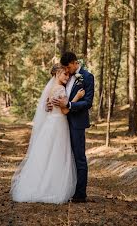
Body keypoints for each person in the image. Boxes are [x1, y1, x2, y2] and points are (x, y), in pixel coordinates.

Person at [10, 63, 85, 204]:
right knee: (57, 155)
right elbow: (65, 110)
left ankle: (39, 186)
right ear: (57, 73)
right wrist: (77, 97)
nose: (67, 77)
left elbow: (50, 107)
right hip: (58, 125)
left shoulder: (50, 88)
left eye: (68, 75)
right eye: (65, 74)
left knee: (46, 155)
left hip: (51, 123)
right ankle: (52, 189)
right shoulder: (60, 89)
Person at [49, 51, 95, 203]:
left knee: (79, 157)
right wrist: (51, 103)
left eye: (68, 67)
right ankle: (65, 188)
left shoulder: (87, 77)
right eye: (65, 69)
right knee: (64, 156)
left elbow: (87, 102)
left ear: (75, 63)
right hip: (61, 122)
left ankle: (80, 194)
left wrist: (69, 104)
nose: (66, 72)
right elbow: (58, 92)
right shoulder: (66, 76)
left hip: (76, 122)